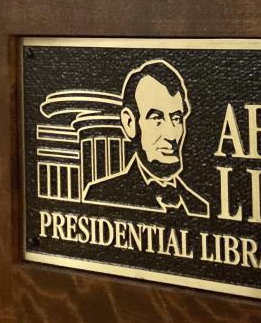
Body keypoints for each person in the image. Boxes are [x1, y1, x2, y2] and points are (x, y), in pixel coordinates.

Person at [82, 60, 210, 217]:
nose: (171, 135)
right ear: (129, 123)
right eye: (157, 118)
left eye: (176, 118)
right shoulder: (101, 195)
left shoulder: (199, 207)